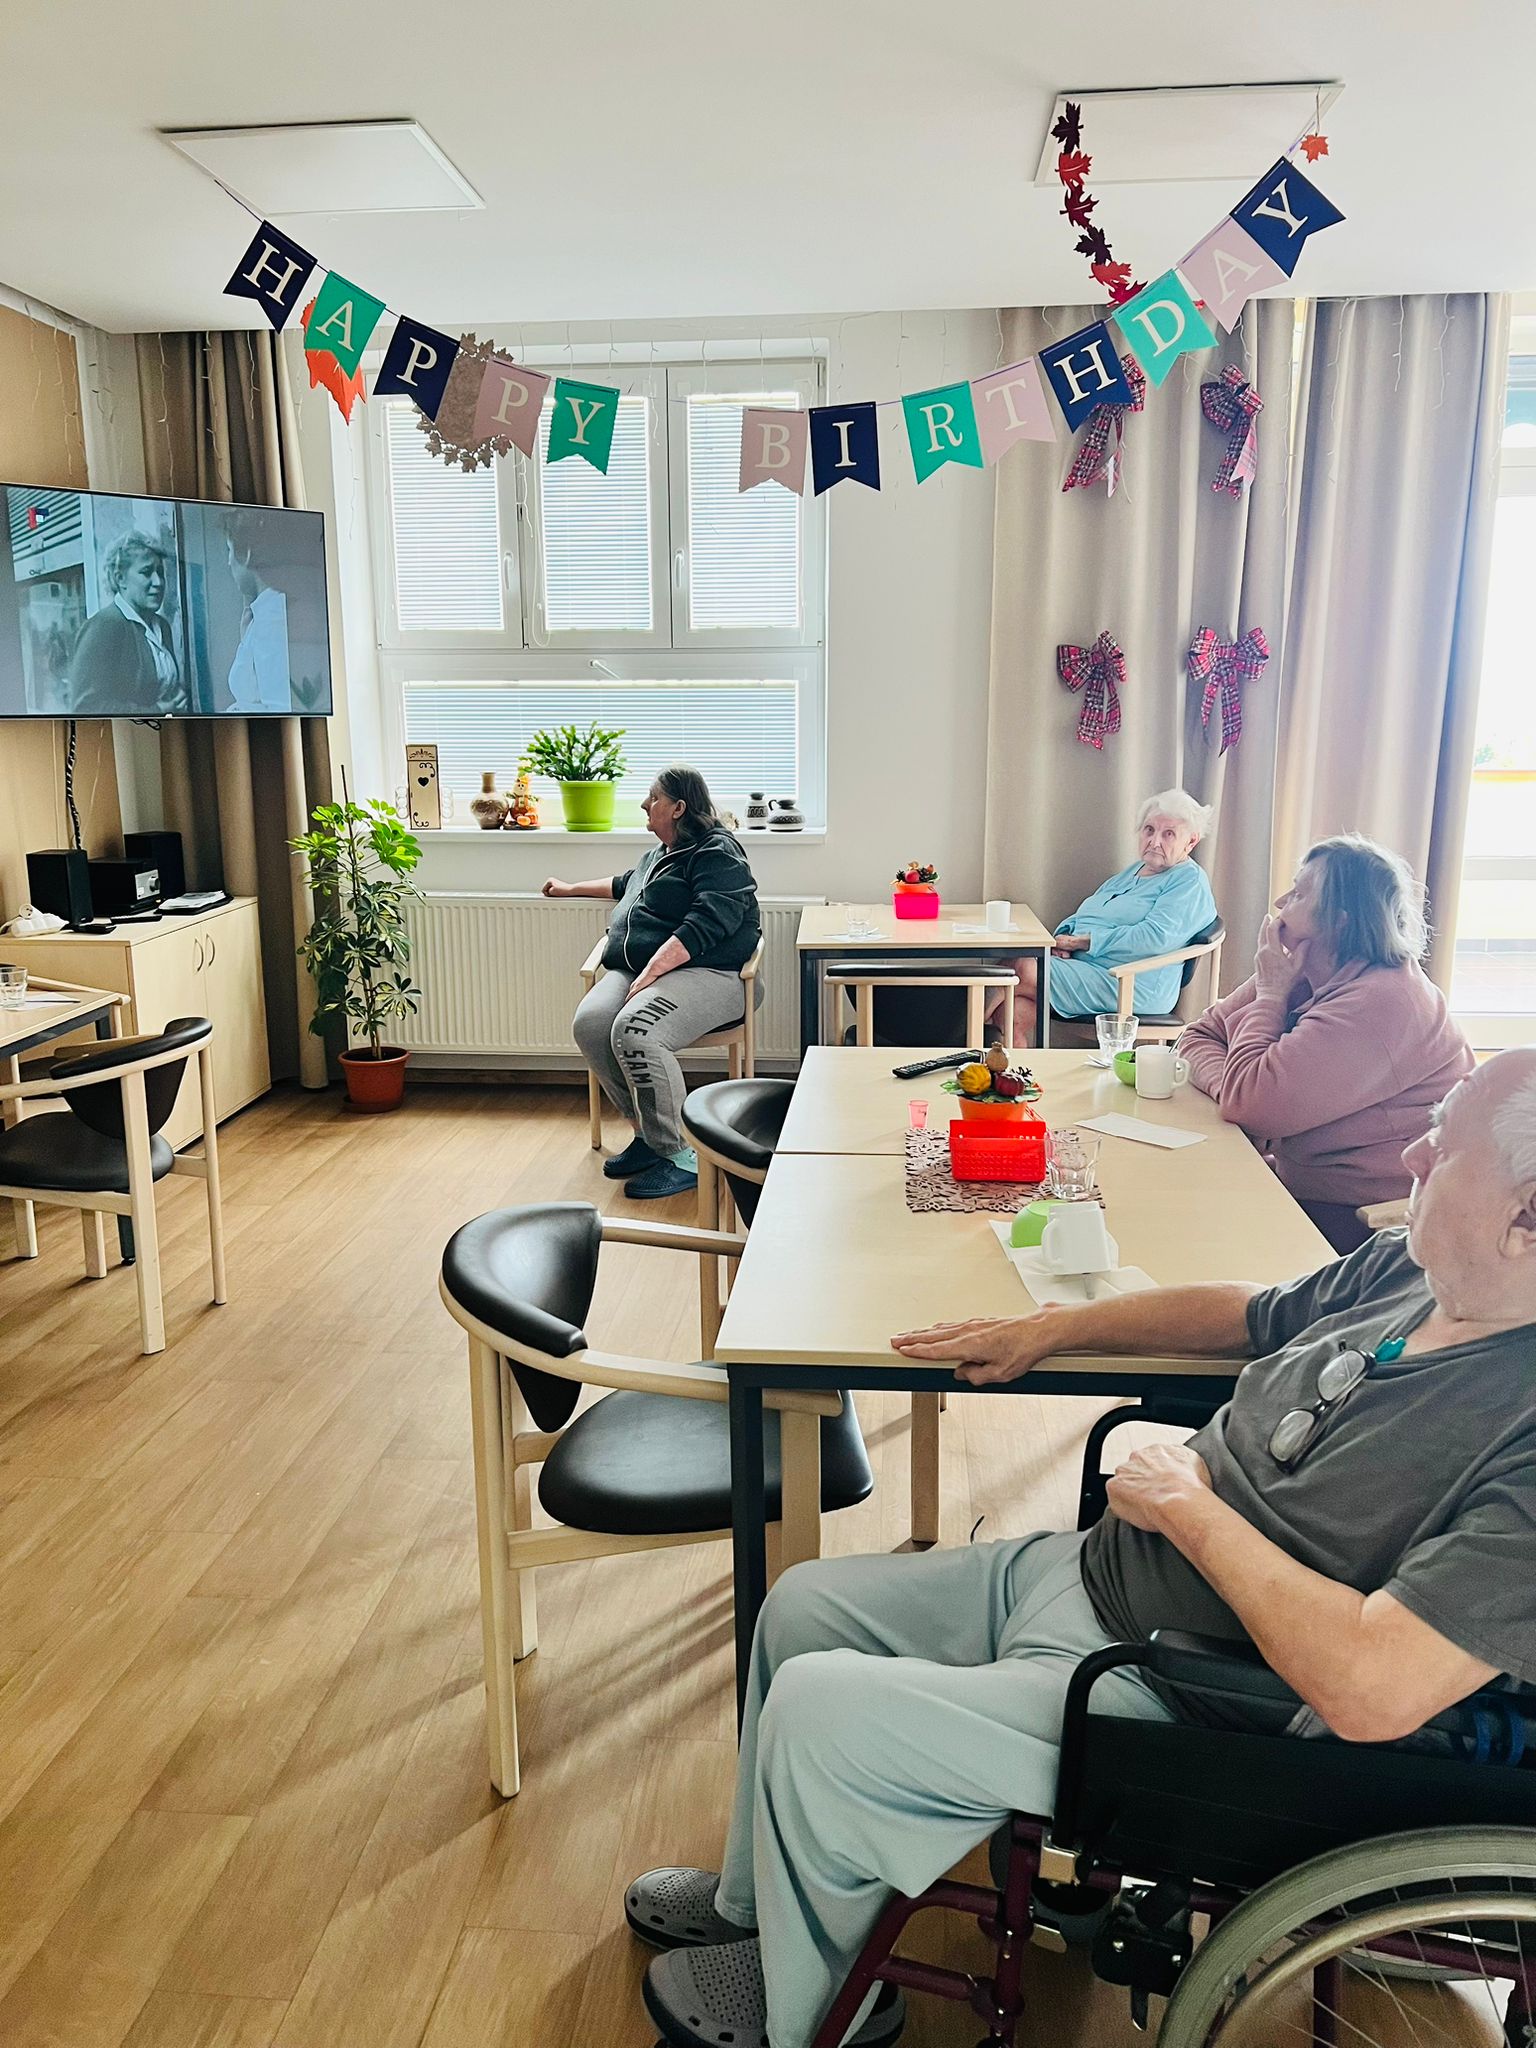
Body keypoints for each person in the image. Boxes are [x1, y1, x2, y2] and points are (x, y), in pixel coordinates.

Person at [624, 1048, 1536, 2048]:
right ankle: (756, 1910)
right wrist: (1051, 1329)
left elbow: (1374, 1689)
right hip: (1098, 1572)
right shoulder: (1410, 1267)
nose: (1411, 1153)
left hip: (1185, 1698)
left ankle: (803, 2019)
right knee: (803, 1606)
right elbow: (1251, 1310)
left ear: (1527, 1215)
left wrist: (1189, 1509)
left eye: (1443, 1145)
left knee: (819, 1710)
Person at [1179, 835, 1474, 1254]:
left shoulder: (1380, 1002)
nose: (1280, 903)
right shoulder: (1305, 968)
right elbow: (1199, 1036)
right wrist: (1234, 1086)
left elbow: (1250, 1106)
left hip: (1369, 1221)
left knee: (1188, 1229)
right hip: (1299, 1180)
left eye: (1299, 894)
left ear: (1339, 921)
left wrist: (1270, 998)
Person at [549, 765, 761, 1201]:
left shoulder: (717, 851)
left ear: (679, 807)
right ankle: (649, 1135)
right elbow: (623, 885)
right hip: (643, 970)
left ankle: (684, 1154)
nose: (645, 804)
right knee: (591, 1024)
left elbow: (708, 921)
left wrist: (652, 972)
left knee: (635, 1030)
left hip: (714, 974)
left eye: (654, 797)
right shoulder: (658, 855)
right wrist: (570, 889)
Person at [1001, 789, 1216, 1046]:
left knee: (1019, 968)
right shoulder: (1137, 870)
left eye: (1168, 834)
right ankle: (1008, 1070)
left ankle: (959, 1036)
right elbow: (1090, 910)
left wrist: (1084, 942)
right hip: (1088, 969)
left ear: (1190, 842)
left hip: (1130, 982)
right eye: (1149, 830)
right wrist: (1063, 940)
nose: (1154, 841)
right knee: (1014, 1011)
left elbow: (1155, 937)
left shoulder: (1189, 881)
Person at [69, 531, 183, 716]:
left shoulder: (161, 626)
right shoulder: (104, 627)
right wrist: (157, 711)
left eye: (160, 573)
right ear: (120, 578)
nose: (158, 582)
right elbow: (86, 707)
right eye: (146, 572)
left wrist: (178, 696)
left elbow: (162, 686)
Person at [224, 514, 291, 713]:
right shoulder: (261, 613)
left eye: (229, 550)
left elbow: (280, 710)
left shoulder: (273, 618)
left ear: (246, 555)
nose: (228, 562)